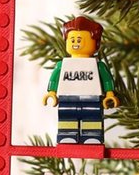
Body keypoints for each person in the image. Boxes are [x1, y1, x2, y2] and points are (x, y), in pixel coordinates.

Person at [43, 17, 117, 146]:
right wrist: (52, 92)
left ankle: (92, 136)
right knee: (67, 116)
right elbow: (54, 78)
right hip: (67, 98)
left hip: (92, 99)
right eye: (72, 40)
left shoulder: (98, 65)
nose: (76, 43)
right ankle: (67, 135)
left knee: (92, 117)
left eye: (80, 40)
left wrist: (110, 93)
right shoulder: (62, 64)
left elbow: (107, 79)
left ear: (95, 43)